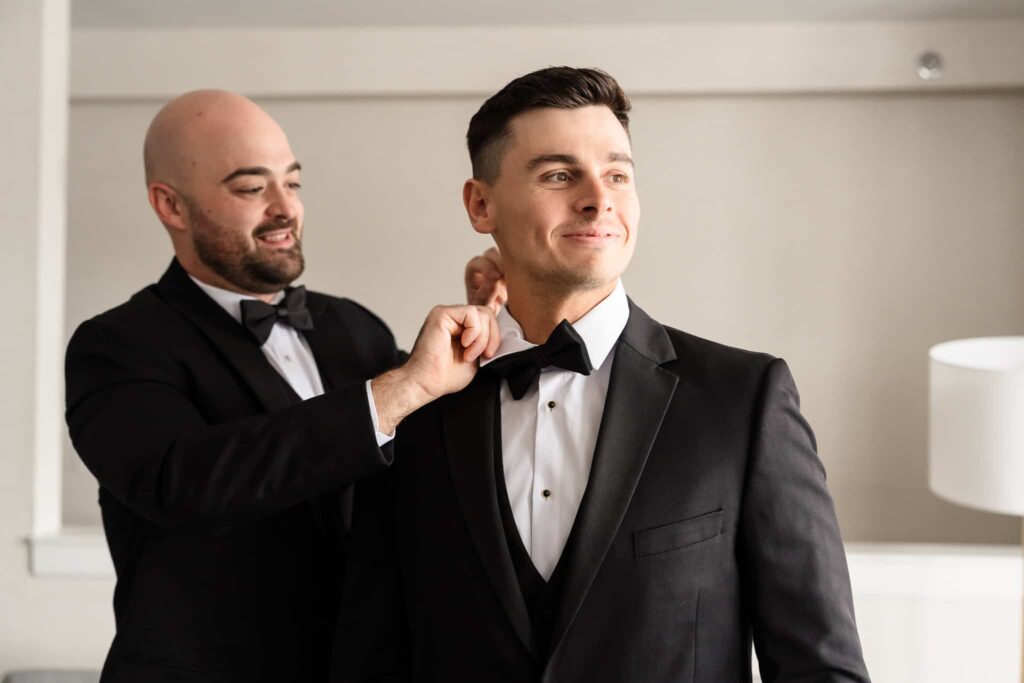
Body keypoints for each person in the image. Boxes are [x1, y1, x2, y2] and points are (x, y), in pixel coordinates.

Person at [344, 67, 871, 682]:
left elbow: (821, 667)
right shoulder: (412, 410)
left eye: (617, 175)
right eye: (559, 175)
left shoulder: (744, 399)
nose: (600, 200)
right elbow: (367, 658)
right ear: (480, 205)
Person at [64, 89, 502, 683]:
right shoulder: (116, 345)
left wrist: (490, 322)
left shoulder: (354, 327)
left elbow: (436, 457)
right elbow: (185, 486)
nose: (284, 208)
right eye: (252, 188)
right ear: (171, 205)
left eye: (292, 183)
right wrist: (395, 391)